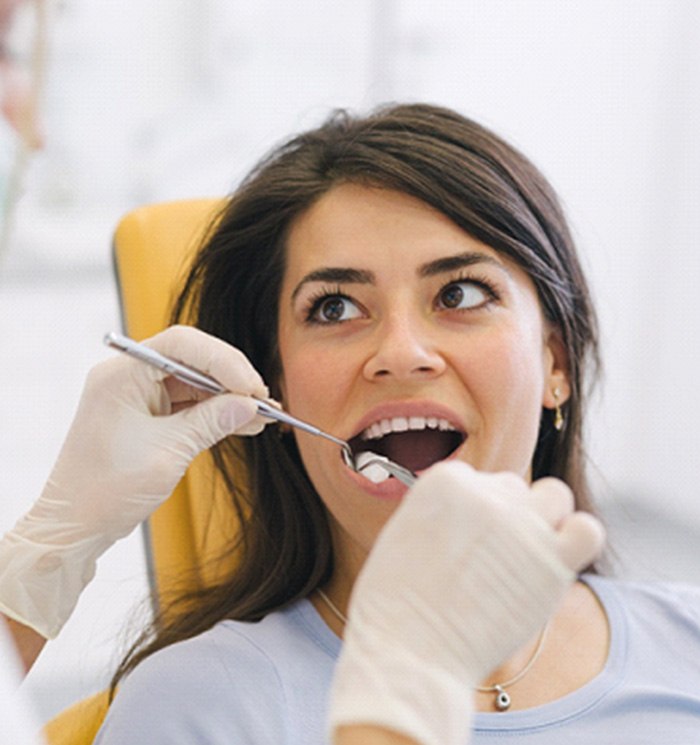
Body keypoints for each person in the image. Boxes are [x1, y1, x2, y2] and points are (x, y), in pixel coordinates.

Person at [1, 103, 698, 743]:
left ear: (555, 363)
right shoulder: (196, 706)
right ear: (276, 392)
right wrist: (47, 547)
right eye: (334, 307)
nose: (400, 352)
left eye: (459, 293)